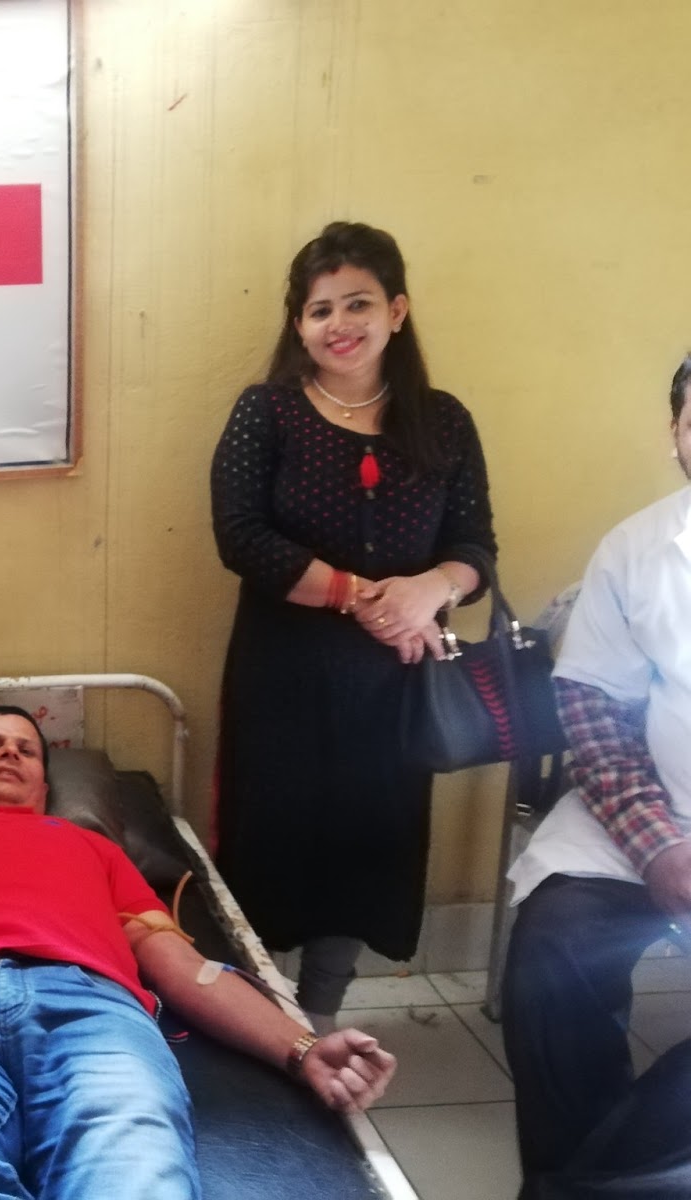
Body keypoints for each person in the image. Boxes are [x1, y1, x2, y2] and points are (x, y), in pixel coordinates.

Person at [0, 705, 397, 1200]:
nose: (9, 753)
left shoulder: (92, 847)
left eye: (26, 750)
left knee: (136, 1176)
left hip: (90, 1011)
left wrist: (303, 1049)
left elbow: (185, 968)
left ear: (44, 789)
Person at [209, 221, 496, 1030]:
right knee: (273, 844)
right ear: (298, 324)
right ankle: (267, 1026)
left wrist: (432, 588)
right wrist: (371, 600)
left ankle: (323, 1017)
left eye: (358, 303)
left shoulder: (443, 421)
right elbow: (242, 538)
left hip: (393, 690)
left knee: (366, 852)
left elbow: (477, 549)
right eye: (319, 309)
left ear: (397, 311)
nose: (339, 324)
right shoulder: (267, 412)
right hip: (284, 678)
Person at [500, 356, 691, 1198]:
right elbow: (596, 717)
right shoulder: (639, 551)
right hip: (647, 821)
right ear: (676, 434)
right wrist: (661, 849)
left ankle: (577, 1188)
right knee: (554, 952)